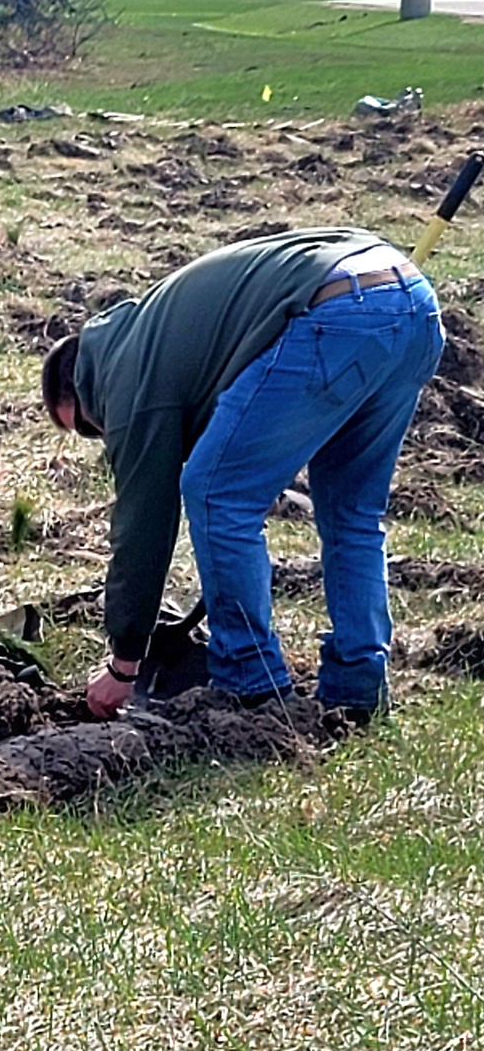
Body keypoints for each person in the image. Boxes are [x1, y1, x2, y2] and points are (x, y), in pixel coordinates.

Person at [42, 227, 444, 723]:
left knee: (215, 493)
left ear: (81, 392)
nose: (101, 436)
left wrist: (125, 664)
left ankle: (250, 687)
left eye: (86, 427)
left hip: (336, 310)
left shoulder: (124, 381)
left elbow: (143, 526)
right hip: (411, 303)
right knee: (352, 513)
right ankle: (357, 690)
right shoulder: (153, 333)